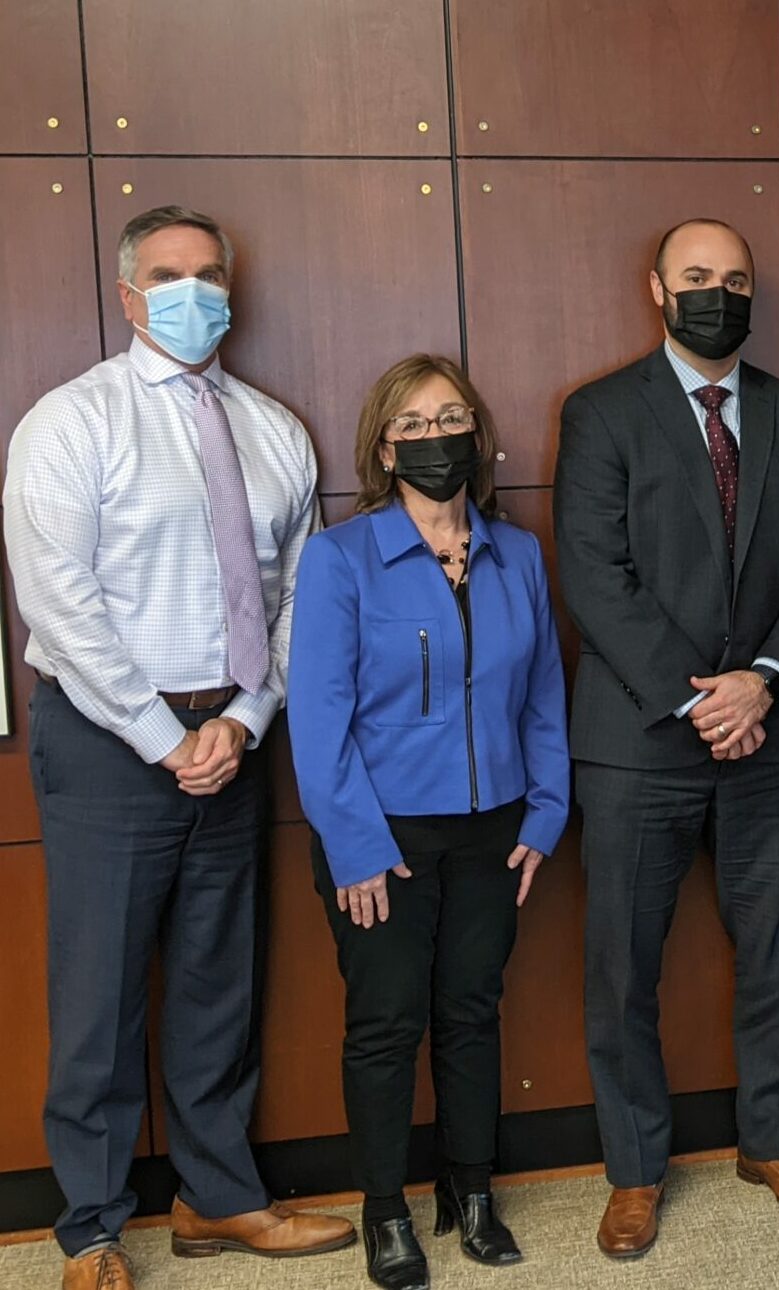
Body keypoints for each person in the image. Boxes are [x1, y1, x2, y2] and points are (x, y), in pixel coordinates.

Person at [2, 206, 354, 1290]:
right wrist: (165, 737)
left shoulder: (273, 428)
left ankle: (217, 1198)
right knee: (101, 988)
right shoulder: (70, 423)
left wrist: (246, 719)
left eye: (209, 274)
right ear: (127, 295)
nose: (192, 291)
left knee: (220, 978)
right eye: (168, 275)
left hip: (236, 732)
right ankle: (93, 1229)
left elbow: (297, 592)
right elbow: (59, 605)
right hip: (113, 736)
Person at [555, 218, 779, 1258]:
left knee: (776, 949)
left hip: (773, 729)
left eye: (734, 280)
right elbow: (596, 577)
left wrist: (762, 684)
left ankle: (773, 1142)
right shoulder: (599, 413)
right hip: (642, 738)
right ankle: (634, 1171)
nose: (716, 293)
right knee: (623, 965)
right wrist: (702, 698)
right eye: (697, 277)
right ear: (657, 287)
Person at [287, 355, 570, 1290]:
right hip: (386, 840)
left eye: (450, 418)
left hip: (495, 831)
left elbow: (541, 698)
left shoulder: (517, 552)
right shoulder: (339, 557)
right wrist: (354, 845)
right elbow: (319, 720)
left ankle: (472, 1192)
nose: (433, 436)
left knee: (471, 1015)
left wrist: (546, 807)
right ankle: (384, 1212)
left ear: (480, 437)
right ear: (383, 446)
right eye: (410, 423)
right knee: (384, 1024)